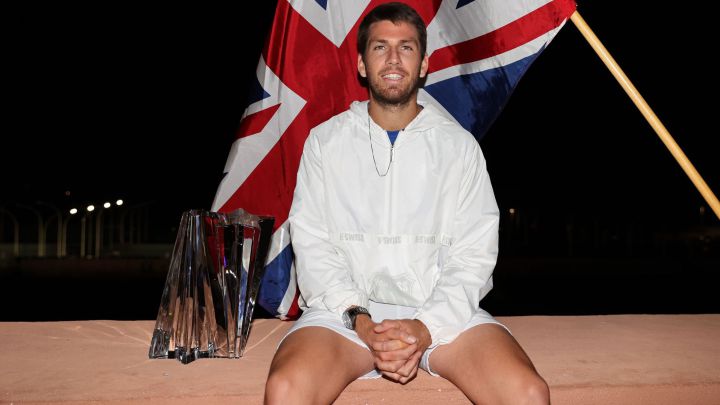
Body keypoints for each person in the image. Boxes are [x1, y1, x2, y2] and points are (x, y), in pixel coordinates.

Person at [264, 2, 549, 404]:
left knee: (527, 393)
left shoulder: (458, 148)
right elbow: (313, 246)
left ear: (424, 63)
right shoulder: (326, 143)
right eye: (380, 47)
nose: (394, 59)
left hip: (441, 318)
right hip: (343, 319)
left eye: (407, 47)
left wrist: (424, 326)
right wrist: (360, 320)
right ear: (362, 64)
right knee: (286, 389)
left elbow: (474, 255)